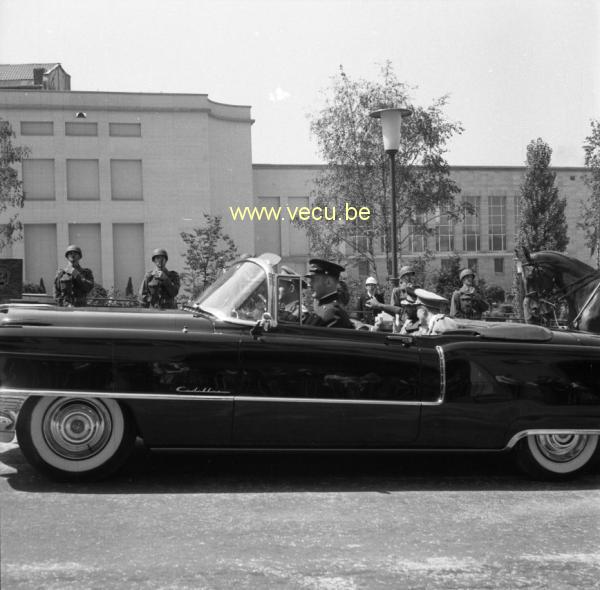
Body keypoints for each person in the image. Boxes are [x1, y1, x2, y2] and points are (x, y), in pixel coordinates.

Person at [303, 258, 353, 329]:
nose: (309, 284)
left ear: (328, 282)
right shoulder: (324, 309)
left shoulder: (333, 313)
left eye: (314, 279)